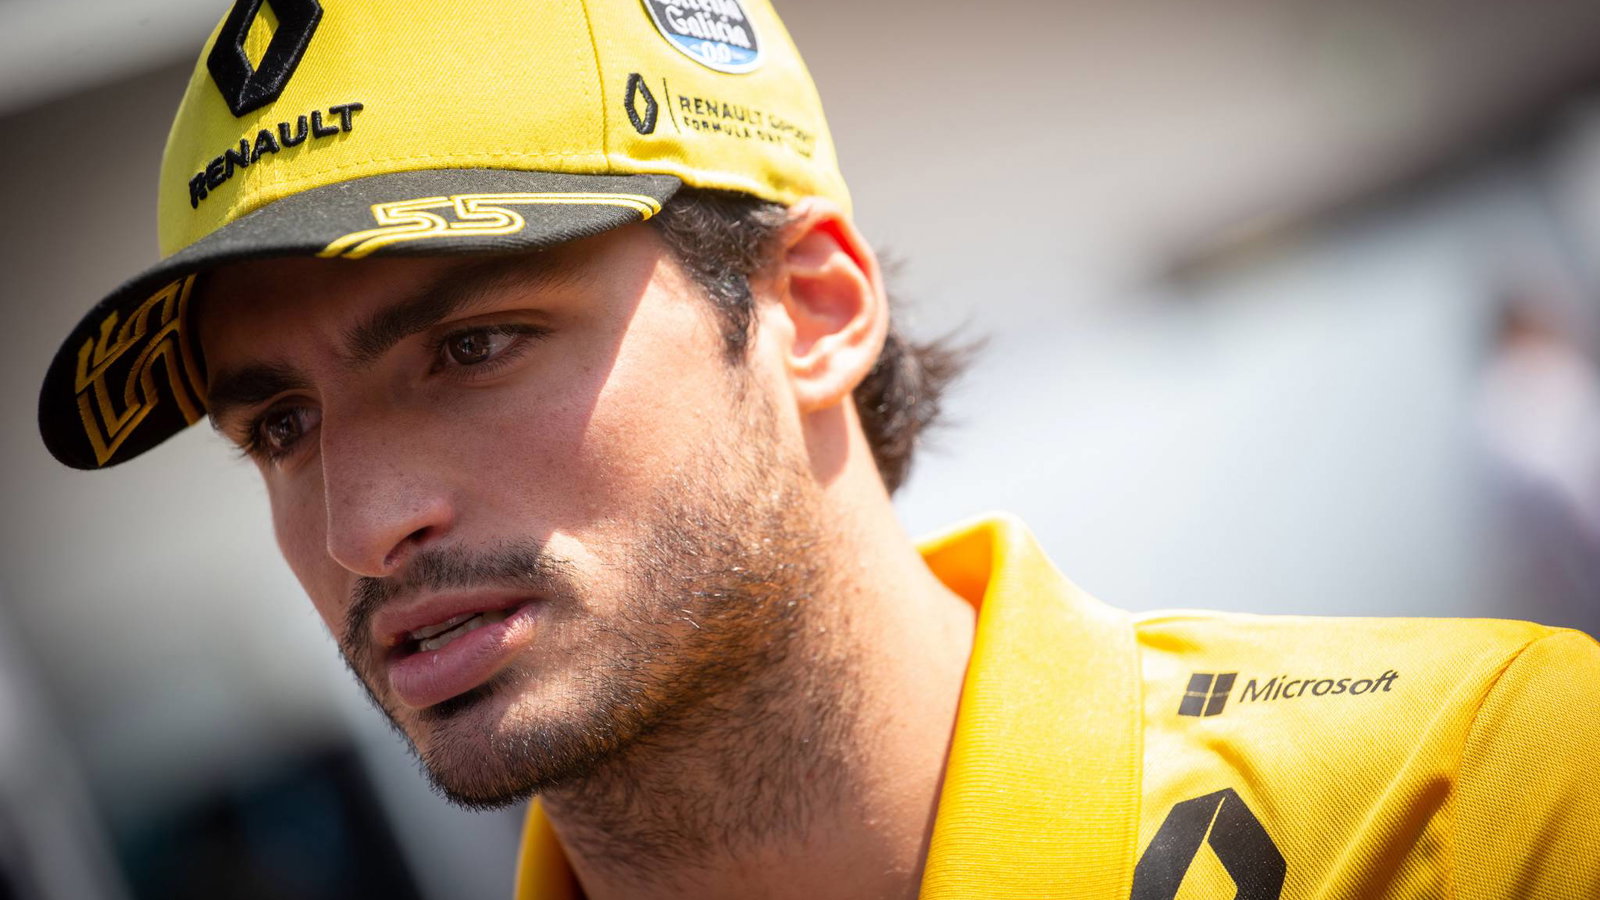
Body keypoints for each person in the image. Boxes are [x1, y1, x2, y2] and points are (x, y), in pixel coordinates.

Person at [36, 0, 1600, 897]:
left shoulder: (1473, 803)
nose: (361, 523)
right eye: (279, 427)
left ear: (812, 308)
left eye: (473, 345)